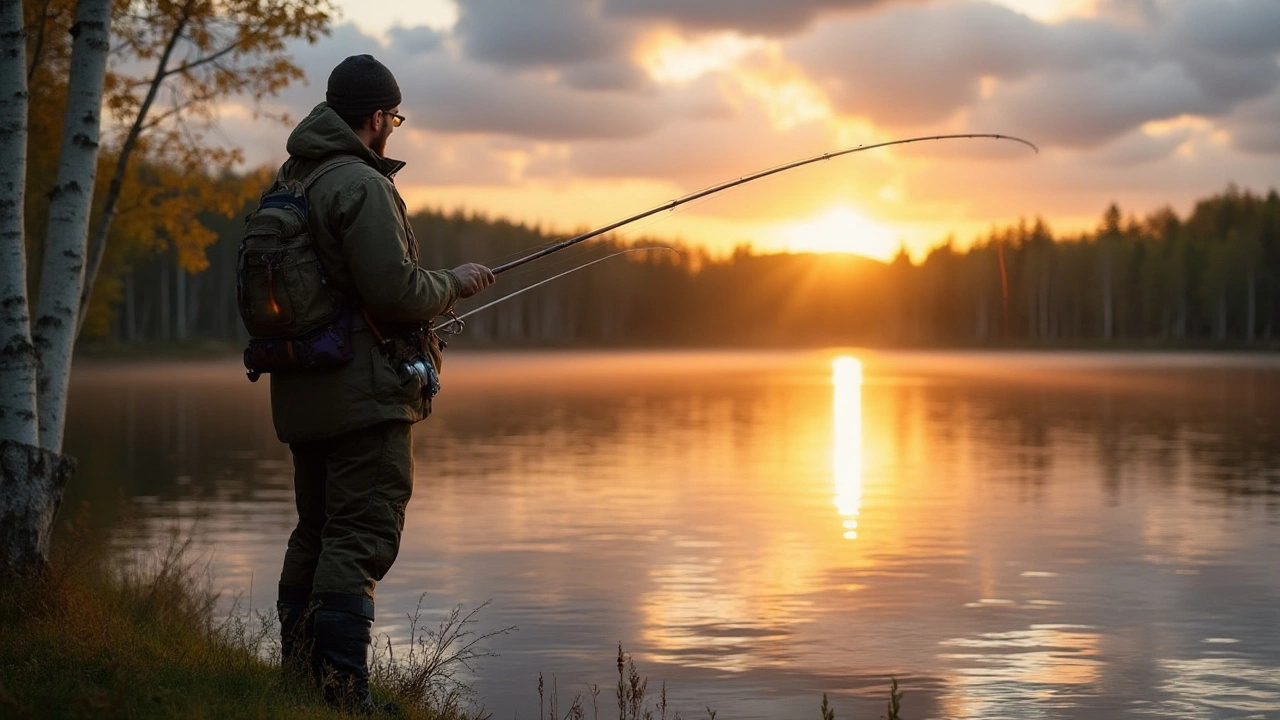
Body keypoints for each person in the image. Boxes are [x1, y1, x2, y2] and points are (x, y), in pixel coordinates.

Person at [270, 54, 495, 711]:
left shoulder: (293, 178)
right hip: (361, 396)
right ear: (376, 118)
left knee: (315, 530)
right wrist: (454, 283)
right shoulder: (360, 184)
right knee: (360, 535)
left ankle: (300, 684)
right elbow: (395, 291)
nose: (392, 128)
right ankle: (343, 695)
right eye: (392, 117)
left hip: (303, 391)